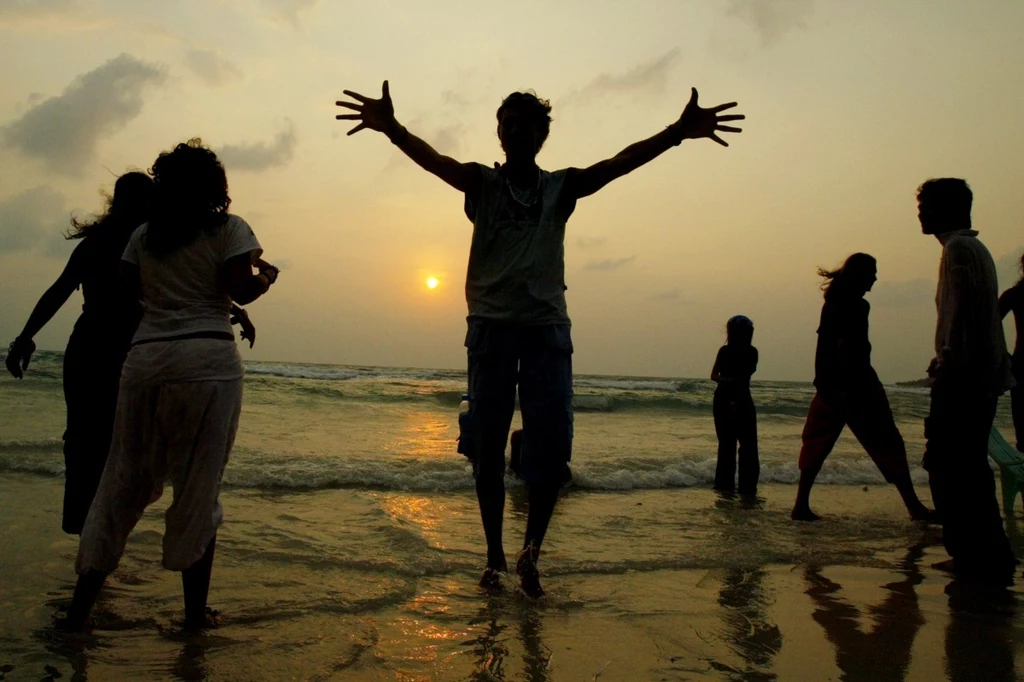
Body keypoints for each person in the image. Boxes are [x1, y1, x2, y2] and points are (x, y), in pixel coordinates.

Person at [336, 81, 744, 596]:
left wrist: (677, 133)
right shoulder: (479, 183)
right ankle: (492, 556)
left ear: (542, 134)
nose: (519, 130)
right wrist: (391, 128)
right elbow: (432, 159)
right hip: (490, 328)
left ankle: (531, 551)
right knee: (487, 445)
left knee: (549, 448)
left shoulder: (561, 188)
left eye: (530, 123)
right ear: (499, 131)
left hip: (547, 330)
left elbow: (618, 164)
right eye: (510, 121)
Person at [62, 139, 279, 631]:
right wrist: (266, 275)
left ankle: (78, 613)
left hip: (145, 363)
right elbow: (239, 288)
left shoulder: (143, 236)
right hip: (208, 364)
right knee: (198, 488)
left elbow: (125, 293)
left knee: (119, 484)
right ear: (215, 187)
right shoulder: (230, 229)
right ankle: (193, 614)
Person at [5, 173, 152, 534]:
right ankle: (97, 536)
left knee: (86, 440)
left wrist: (25, 338)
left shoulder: (100, 242)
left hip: (89, 350)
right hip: (119, 354)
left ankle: (84, 528)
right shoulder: (146, 245)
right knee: (115, 445)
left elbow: (59, 291)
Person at [918, 178, 1017, 585]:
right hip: (977, 376)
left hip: (964, 378)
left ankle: (974, 555)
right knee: (966, 468)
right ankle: (985, 554)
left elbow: (961, 315)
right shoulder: (971, 249)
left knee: (949, 467)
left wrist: (949, 362)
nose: (920, 213)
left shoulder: (959, 249)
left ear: (947, 208)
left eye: (926, 205)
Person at [791, 253, 933, 522]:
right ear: (860, 275)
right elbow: (835, 346)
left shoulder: (835, 304)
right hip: (857, 384)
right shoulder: (854, 306)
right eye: (872, 272)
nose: (876, 278)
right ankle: (914, 507)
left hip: (836, 383)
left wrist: (822, 381)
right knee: (887, 443)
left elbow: (825, 346)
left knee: (816, 443)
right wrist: (826, 381)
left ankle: (801, 505)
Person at [711, 315, 759, 495]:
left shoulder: (732, 352)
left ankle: (728, 487)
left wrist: (726, 382)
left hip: (730, 398)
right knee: (743, 445)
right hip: (737, 398)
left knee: (730, 445)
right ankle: (742, 487)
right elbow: (715, 375)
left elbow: (714, 375)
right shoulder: (750, 352)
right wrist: (728, 382)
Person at [998, 253, 1024, 451]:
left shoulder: (1015, 294)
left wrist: (1005, 357)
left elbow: (987, 325)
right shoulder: (1015, 295)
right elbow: (988, 325)